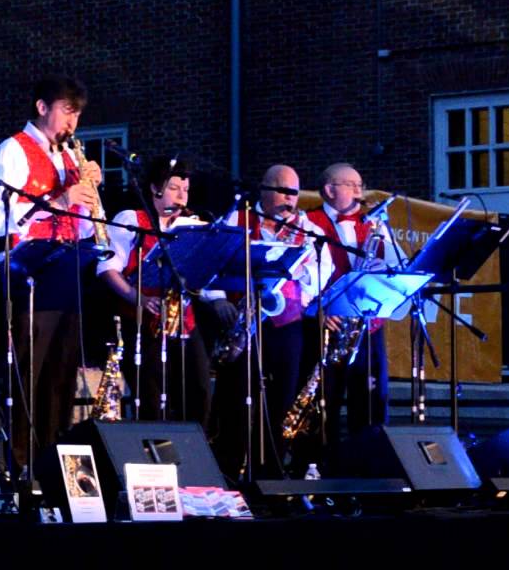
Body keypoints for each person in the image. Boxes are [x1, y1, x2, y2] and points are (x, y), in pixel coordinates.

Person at [0, 75, 103, 472]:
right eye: (68, 111)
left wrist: (89, 201)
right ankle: (20, 467)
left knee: (61, 375)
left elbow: (82, 226)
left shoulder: (70, 159)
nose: (73, 123)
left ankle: (55, 465)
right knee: (28, 377)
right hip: (27, 273)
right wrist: (59, 201)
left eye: (78, 114)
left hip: (67, 271)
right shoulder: (10, 152)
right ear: (42, 107)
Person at [207, 164, 331, 479]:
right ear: (264, 189)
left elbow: (322, 273)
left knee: (282, 400)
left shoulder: (308, 229)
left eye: (295, 193)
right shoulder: (239, 218)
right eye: (283, 191)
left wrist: (304, 283)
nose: (290, 200)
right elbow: (211, 260)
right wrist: (219, 298)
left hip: (287, 325)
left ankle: (271, 472)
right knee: (237, 397)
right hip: (244, 321)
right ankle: (230, 470)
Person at [96, 157, 212, 424]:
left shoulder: (193, 227)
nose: (182, 196)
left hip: (183, 321)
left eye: (185, 190)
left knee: (200, 391)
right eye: (174, 188)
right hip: (142, 322)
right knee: (151, 397)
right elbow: (106, 268)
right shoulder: (131, 219)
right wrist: (136, 297)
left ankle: (194, 457)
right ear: (155, 189)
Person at [303, 163, 405, 448]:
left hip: (367, 325)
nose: (360, 190)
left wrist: (383, 270)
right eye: (351, 184)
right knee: (326, 400)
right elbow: (301, 274)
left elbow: (398, 265)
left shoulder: (375, 223)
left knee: (371, 398)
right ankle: (323, 462)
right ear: (329, 189)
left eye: (361, 184)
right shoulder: (308, 221)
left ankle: (369, 459)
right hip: (330, 324)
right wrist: (318, 307)